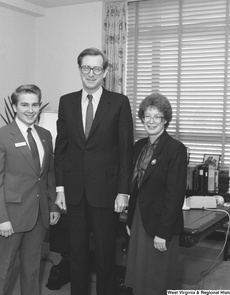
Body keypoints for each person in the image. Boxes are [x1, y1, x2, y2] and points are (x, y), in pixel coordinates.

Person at [54, 48, 133, 295]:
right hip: (75, 192)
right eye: (86, 68)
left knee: (105, 255)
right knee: (76, 255)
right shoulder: (66, 101)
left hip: (106, 193)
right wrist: (59, 188)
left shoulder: (119, 102)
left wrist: (123, 192)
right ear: (79, 69)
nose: (91, 73)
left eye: (97, 68)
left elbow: (125, 152)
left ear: (105, 72)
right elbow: (61, 148)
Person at [0, 84, 60, 295]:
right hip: (10, 216)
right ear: (15, 106)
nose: (30, 109)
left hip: (39, 215)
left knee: (32, 269)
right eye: (24, 104)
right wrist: (1, 219)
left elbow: (48, 174)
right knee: (3, 269)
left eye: (35, 104)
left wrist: (52, 205)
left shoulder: (45, 135)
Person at [125, 93, 187, 295]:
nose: (151, 121)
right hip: (139, 218)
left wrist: (163, 232)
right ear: (142, 118)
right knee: (139, 274)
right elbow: (135, 187)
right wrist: (129, 221)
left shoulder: (175, 149)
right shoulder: (139, 146)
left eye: (157, 116)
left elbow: (175, 194)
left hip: (161, 223)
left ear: (165, 120)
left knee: (157, 278)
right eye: (147, 116)